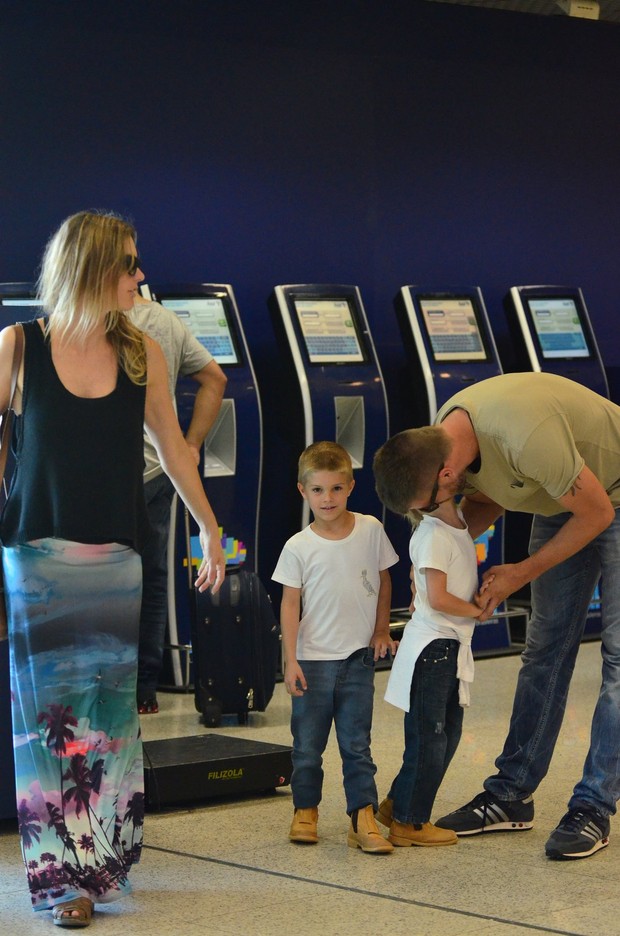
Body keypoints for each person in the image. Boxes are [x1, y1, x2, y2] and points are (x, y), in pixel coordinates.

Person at [0, 210, 225, 927]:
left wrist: (211, 532)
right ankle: (58, 880)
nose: (140, 275)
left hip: (116, 559)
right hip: (36, 558)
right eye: (129, 264)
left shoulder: (142, 353)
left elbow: (176, 452)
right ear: (94, 268)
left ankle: (101, 860)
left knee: (106, 720)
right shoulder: (16, 348)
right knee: (47, 726)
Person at [373, 372, 620, 861]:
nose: (430, 514)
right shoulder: (445, 438)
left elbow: (596, 515)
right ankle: (511, 794)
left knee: (617, 659)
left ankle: (593, 804)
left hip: (609, 495)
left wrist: (519, 574)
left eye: (427, 508)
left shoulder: (526, 437)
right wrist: (439, 568)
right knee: (545, 647)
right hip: (564, 494)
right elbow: (482, 501)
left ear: (446, 476)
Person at [272, 441, 399, 854]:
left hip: (358, 660)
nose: (328, 499)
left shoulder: (371, 530)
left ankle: (362, 816)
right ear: (302, 491)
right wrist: (289, 660)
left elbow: (384, 582)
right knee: (307, 746)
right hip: (312, 662)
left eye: (336, 489)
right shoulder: (298, 547)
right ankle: (305, 810)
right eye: (318, 490)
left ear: (351, 487)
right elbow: (290, 604)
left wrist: (382, 630)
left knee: (356, 745)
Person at [129, 292, 227, 714]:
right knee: (152, 581)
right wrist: (191, 444)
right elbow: (216, 378)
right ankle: (145, 690)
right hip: (160, 470)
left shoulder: (79, 324)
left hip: (104, 479)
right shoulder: (166, 322)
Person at [376, 482, 484, 847]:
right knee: (430, 738)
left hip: (446, 645)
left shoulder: (455, 524)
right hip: (434, 647)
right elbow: (437, 598)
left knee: (445, 735)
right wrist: (478, 610)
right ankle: (410, 821)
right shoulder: (435, 533)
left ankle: (396, 804)